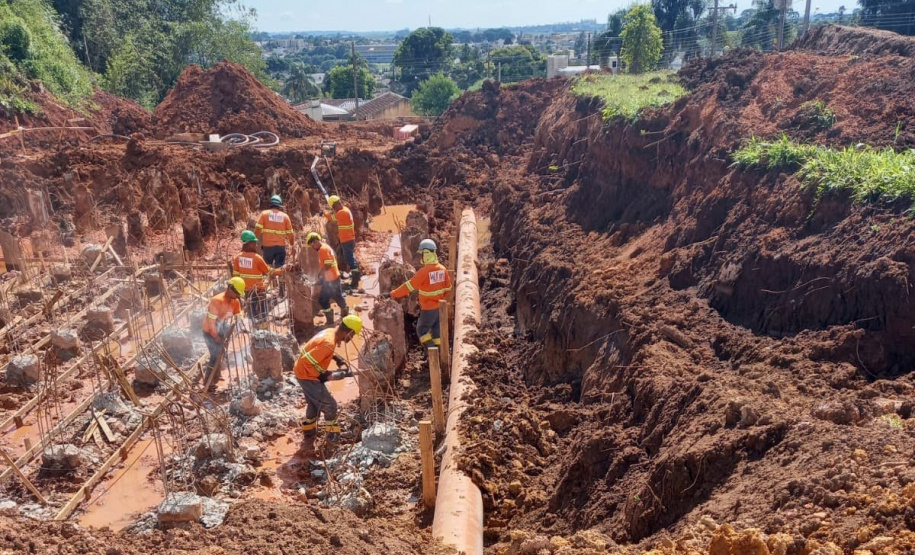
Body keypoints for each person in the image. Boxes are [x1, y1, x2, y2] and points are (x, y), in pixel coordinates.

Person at [294, 315, 363, 442]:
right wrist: (324, 375)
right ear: (349, 331)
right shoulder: (328, 343)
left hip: (301, 372)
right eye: (352, 335)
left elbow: (317, 351)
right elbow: (306, 361)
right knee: (330, 406)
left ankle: (309, 434)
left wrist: (337, 359)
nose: (351, 338)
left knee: (314, 404)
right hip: (307, 375)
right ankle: (332, 439)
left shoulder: (330, 332)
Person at [388, 239, 452, 350]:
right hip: (440, 307)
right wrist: (438, 297)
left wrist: (393, 294)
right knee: (436, 331)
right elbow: (448, 288)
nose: (421, 257)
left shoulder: (424, 272)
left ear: (426, 254)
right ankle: (440, 352)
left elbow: (408, 286)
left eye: (422, 254)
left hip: (428, 308)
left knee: (421, 330)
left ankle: (431, 352)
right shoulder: (442, 269)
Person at [202, 277, 244, 390]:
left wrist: (237, 322)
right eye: (237, 293)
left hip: (221, 329)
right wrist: (215, 336)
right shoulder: (217, 300)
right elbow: (211, 322)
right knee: (214, 356)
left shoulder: (235, 301)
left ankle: (217, 375)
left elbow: (238, 314)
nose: (238, 296)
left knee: (221, 352)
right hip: (209, 331)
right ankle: (208, 381)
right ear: (230, 288)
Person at [306, 232, 348, 327]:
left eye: (312, 245)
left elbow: (328, 265)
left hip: (331, 279)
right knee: (337, 296)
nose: (312, 247)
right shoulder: (325, 247)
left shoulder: (323, 249)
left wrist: (320, 273)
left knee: (323, 300)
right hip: (333, 277)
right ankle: (345, 312)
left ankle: (330, 321)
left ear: (316, 241)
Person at [232, 230, 272, 323]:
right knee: (263, 313)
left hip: (247, 290)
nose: (256, 245)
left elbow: (235, 277)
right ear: (249, 244)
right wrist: (280, 270)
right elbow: (268, 271)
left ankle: (254, 329)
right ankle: (263, 327)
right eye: (254, 243)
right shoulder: (257, 258)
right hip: (259, 290)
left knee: (252, 313)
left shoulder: (237, 258)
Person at [324, 195, 360, 290]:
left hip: (347, 240)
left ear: (335, 205)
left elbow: (332, 217)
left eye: (333, 207)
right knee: (350, 257)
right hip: (348, 238)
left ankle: (355, 281)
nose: (334, 209)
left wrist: (324, 213)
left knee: (349, 259)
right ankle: (356, 275)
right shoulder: (345, 210)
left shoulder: (342, 213)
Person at [255, 195, 294, 268]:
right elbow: (290, 234)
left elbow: (257, 229)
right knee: (280, 268)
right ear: (280, 205)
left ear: (271, 204)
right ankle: (279, 279)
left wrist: (254, 240)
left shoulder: (264, 214)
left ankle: (268, 279)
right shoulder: (285, 217)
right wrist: (292, 244)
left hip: (267, 247)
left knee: (267, 267)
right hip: (280, 247)